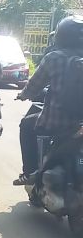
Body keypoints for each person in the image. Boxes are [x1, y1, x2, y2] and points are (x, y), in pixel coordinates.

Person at [15, 15, 83, 185]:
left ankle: (30, 172)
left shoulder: (54, 58)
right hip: (79, 125)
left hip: (55, 122)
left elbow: (33, 87)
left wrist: (23, 95)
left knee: (26, 125)